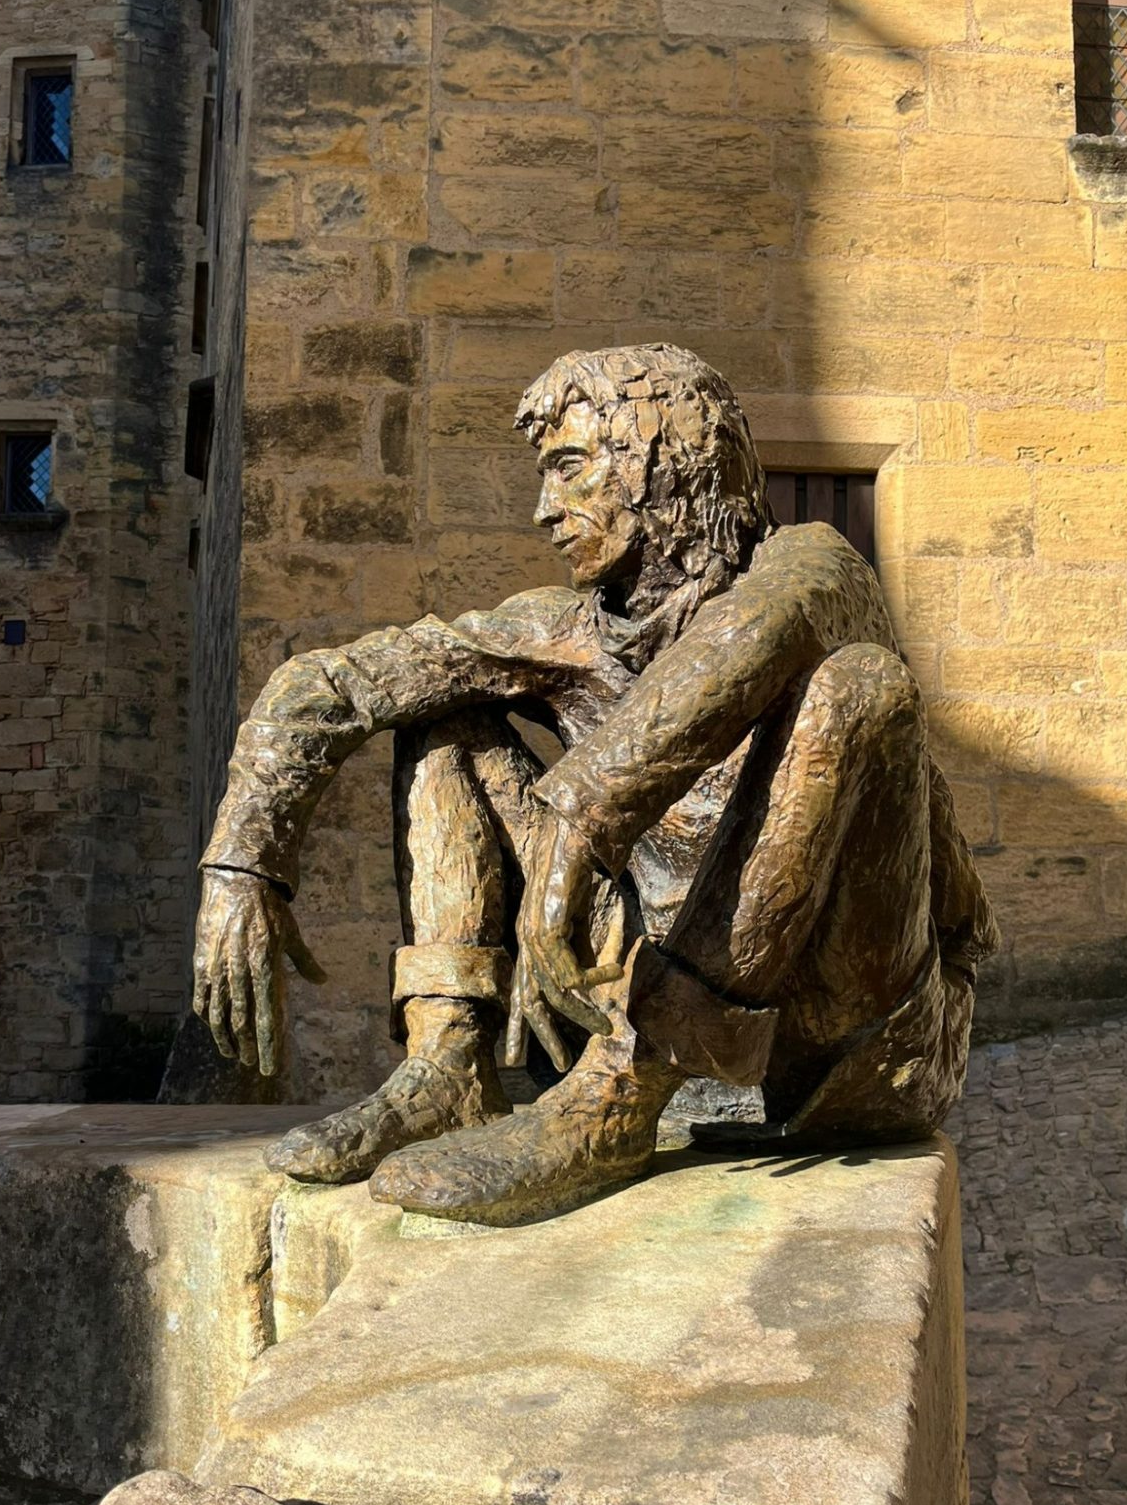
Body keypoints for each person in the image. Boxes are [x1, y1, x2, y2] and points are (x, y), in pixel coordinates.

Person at [193, 344, 997, 1223]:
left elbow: (750, 638)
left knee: (862, 688)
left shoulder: (814, 567)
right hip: (629, 967)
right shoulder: (569, 631)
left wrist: (577, 822)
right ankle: (447, 1066)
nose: (545, 509)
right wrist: (242, 864)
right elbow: (335, 681)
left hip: (849, 1024)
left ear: (669, 465)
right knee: (444, 712)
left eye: (571, 469)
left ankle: (620, 1093)